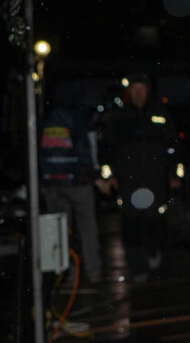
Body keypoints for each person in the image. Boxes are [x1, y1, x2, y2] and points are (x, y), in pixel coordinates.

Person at [96, 72, 180, 282]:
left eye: (142, 88)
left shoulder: (160, 113)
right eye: (134, 88)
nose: (138, 93)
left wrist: (174, 173)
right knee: (131, 223)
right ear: (129, 91)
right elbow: (106, 148)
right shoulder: (118, 116)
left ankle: (154, 251)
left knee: (155, 220)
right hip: (128, 181)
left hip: (156, 179)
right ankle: (138, 267)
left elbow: (172, 146)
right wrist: (109, 175)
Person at [39, 88, 104, 283]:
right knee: (87, 228)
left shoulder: (44, 120)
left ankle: (62, 274)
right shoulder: (79, 118)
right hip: (78, 183)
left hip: (51, 183)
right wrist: (96, 176)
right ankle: (94, 271)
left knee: (58, 231)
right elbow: (86, 149)